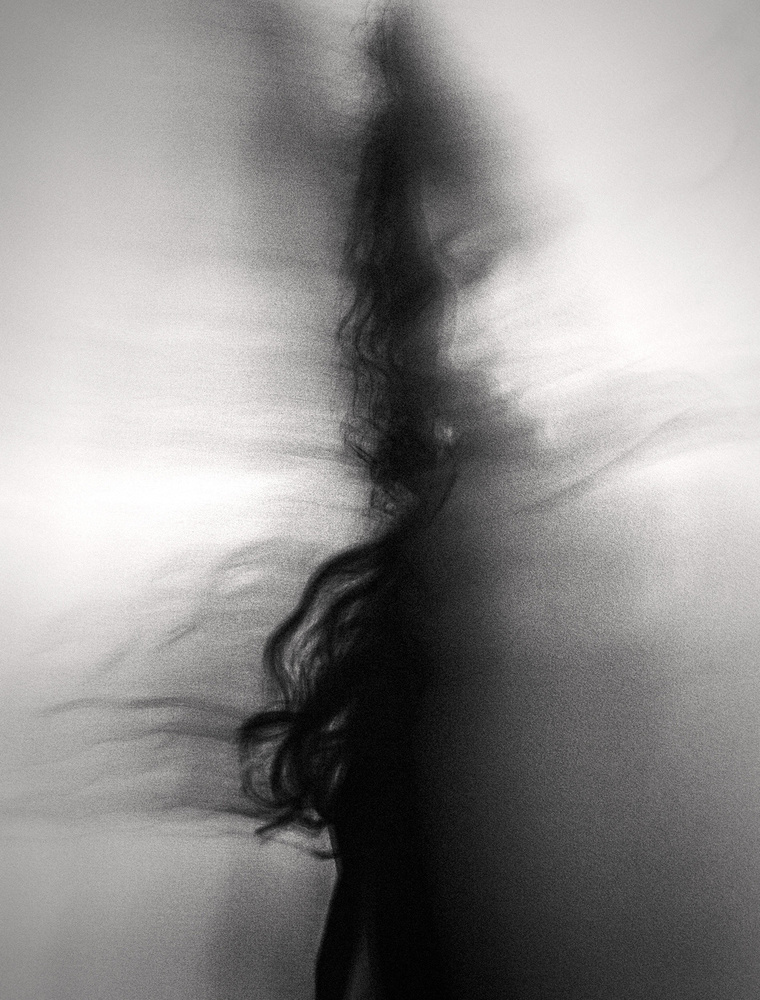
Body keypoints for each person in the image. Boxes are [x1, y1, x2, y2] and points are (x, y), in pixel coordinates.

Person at [240, 5, 760, 999]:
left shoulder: (684, 564)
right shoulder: (419, 617)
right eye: (426, 292)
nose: (464, 334)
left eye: (486, 257)